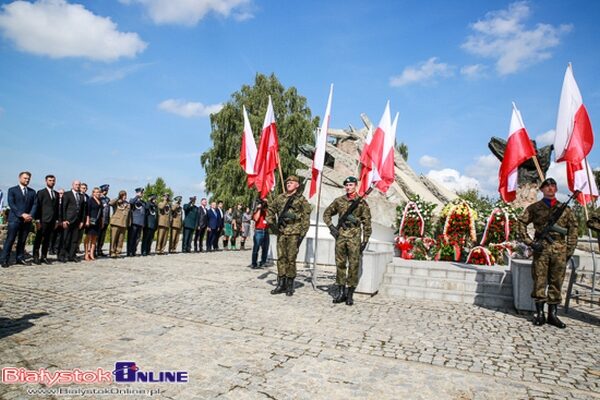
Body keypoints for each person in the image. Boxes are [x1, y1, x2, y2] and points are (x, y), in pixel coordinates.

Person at [517, 177, 578, 329]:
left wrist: (568, 251)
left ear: (556, 189)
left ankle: (553, 315)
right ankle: (539, 314)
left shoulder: (565, 209)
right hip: (541, 249)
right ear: (542, 190)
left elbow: (573, 231)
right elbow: (521, 223)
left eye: (553, 186)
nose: (550, 188)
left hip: (559, 250)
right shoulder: (534, 208)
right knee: (539, 280)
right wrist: (530, 242)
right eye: (547, 186)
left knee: (556, 282)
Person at [323, 176, 372, 306]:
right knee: (340, 264)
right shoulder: (339, 201)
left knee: (354, 265)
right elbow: (326, 214)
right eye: (347, 185)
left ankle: (350, 294)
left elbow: (367, 222)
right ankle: (341, 293)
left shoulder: (361, 202)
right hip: (340, 236)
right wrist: (331, 227)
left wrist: (365, 240)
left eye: (351, 185)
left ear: (356, 186)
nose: (348, 187)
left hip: (354, 237)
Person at [266, 175, 311, 296]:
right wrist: (273, 225)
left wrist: (302, 234)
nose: (289, 184)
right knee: (281, 258)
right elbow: (270, 210)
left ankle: (290, 285)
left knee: (291, 259)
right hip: (281, 231)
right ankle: (281, 283)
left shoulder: (301, 200)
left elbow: (306, 219)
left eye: (292, 182)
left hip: (294, 232)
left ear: (297, 185)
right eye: (287, 182)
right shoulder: (280, 198)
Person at [0, 171, 37, 268]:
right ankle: (4, 259)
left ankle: (20, 258)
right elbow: (12, 204)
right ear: (20, 178)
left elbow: (35, 205)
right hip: (15, 219)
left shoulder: (32, 192)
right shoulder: (12, 190)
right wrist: (21, 214)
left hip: (27, 220)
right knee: (10, 239)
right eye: (25, 178)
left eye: (28, 178)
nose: (27, 180)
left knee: (22, 240)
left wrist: (30, 215)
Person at [33, 174, 58, 265]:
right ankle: (35, 256)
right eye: (50, 180)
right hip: (43, 220)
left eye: (53, 180)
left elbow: (57, 209)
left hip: (52, 220)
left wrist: (56, 220)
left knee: (47, 239)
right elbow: (38, 207)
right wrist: (37, 220)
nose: (52, 182)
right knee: (39, 239)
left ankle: (44, 256)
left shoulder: (56, 193)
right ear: (46, 181)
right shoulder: (41, 192)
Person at [60, 180, 85, 263]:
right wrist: (63, 220)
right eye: (76, 184)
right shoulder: (67, 194)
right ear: (72, 185)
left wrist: (82, 221)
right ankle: (62, 255)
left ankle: (72, 255)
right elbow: (63, 208)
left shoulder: (81, 196)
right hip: (68, 220)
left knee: (75, 239)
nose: (77, 186)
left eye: (79, 185)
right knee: (65, 239)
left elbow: (83, 210)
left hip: (77, 221)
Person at [109, 190, 130, 258]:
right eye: (123, 195)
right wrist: (118, 198)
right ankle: (112, 252)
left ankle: (118, 252)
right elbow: (110, 203)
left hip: (123, 223)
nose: (124, 197)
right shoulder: (116, 202)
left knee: (121, 239)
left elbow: (129, 215)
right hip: (116, 223)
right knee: (113, 238)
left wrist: (129, 223)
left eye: (125, 195)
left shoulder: (127, 204)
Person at [84, 187, 103, 261]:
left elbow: (101, 213)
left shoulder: (100, 201)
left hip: (97, 221)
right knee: (88, 237)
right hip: (91, 221)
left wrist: (102, 222)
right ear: (93, 193)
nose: (98, 193)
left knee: (94, 238)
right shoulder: (90, 200)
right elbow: (87, 211)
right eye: (96, 192)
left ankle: (91, 253)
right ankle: (86, 254)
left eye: (99, 192)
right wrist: (87, 221)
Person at [250, 200, 269, 268]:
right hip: (259, 231)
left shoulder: (267, 210)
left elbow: (269, 217)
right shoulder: (257, 210)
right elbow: (256, 218)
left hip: (266, 231)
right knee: (256, 247)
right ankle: (254, 263)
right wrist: (259, 209)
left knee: (265, 248)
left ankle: (263, 262)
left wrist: (266, 207)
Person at [127, 188, 146, 257]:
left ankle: (134, 250)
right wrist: (137, 196)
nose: (142, 194)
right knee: (132, 237)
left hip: (140, 222)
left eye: (142, 193)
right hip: (134, 222)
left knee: (138, 238)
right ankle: (130, 251)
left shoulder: (143, 202)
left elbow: (144, 212)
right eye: (141, 192)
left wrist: (143, 223)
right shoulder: (133, 200)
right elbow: (131, 203)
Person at [96, 184, 111, 257]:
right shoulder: (99, 198)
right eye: (105, 190)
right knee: (97, 236)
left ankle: (99, 249)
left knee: (102, 236)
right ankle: (95, 250)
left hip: (106, 219)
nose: (106, 191)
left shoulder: (107, 199)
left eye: (107, 190)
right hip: (100, 219)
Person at [49, 188, 65, 256]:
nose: (61, 195)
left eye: (62, 193)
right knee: (52, 235)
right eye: (59, 193)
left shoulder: (64, 201)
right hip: (54, 220)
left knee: (59, 236)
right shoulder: (54, 201)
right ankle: (50, 249)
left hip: (61, 220)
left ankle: (56, 248)